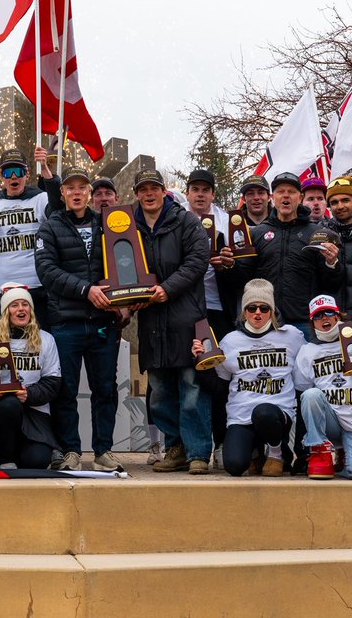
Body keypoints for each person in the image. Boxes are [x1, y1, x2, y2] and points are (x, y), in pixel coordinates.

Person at [34, 166, 122, 472]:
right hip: (65, 324)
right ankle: (70, 450)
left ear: (89, 193)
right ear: (62, 193)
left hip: (103, 322)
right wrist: (86, 290)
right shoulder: (50, 227)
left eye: (81, 187)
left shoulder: (108, 225)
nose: (76, 193)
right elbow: (47, 271)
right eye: (70, 188)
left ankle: (103, 451)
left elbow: (123, 265)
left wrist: (124, 300)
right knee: (65, 391)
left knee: (105, 389)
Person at [131, 169, 212, 475]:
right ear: (137, 194)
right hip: (151, 321)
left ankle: (198, 452)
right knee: (160, 392)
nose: (149, 194)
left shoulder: (186, 221)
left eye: (154, 188)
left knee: (192, 388)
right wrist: (128, 298)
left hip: (186, 317)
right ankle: (175, 448)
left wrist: (167, 288)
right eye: (143, 189)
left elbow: (197, 260)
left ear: (164, 191)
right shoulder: (128, 225)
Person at [197, 279, 305, 477]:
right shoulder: (230, 341)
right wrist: (202, 361)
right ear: (244, 311)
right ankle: (256, 453)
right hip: (242, 414)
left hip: (276, 412)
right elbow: (219, 386)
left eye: (264, 308)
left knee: (263, 412)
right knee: (234, 466)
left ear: (272, 310)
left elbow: (308, 366)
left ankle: (277, 453)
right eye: (252, 307)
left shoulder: (292, 335)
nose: (258, 313)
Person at [232, 172, 341, 334]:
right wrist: (230, 265)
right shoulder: (256, 233)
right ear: (272, 197)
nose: (286, 196)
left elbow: (331, 284)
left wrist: (331, 263)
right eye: (280, 191)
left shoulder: (317, 233)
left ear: (300, 197)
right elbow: (243, 278)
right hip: (267, 321)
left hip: (305, 321)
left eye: (291, 192)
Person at [184, 168, 238, 465]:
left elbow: (241, 264)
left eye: (206, 189)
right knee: (190, 379)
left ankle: (221, 441)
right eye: (195, 189)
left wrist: (228, 264)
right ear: (187, 193)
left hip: (219, 308)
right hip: (186, 308)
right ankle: (192, 448)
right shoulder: (179, 218)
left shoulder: (228, 222)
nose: (200, 194)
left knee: (219, 377)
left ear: (213, 194)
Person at [293, 295, 352, 480]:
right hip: (329, 421)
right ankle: (319, 451)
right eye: (318, 315)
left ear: (338, 316)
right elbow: (303, 397)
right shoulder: (307, 351)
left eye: (329, 313)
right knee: (311, 395)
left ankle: (346, 453)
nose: (324, 318)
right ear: (312, 323)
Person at [0, 284, 63, 469]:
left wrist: (29, 394)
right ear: (6, 311)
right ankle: (3, 458)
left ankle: (19, 454)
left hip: (33, 412)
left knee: (37, 461)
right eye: (14, 305)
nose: (21, 309)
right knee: (9, 404)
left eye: (25, 304)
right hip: (1, 413)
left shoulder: (46, 339)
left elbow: (53, 382)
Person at [0, 147, 63, 327]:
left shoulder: (40, 198)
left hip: (36, 287)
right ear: (2, 176)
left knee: (39, 340)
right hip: (1, 287)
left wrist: (46, 170)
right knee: (4, 343)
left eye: (19, 171)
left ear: (27, 174)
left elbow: (58, 210)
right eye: (8, 172)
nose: (14, 176)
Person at [322, 176, 352, 318]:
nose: (340, 206)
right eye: (334, 202)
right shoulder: (320, 236)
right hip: (327, 317)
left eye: (345, 200)